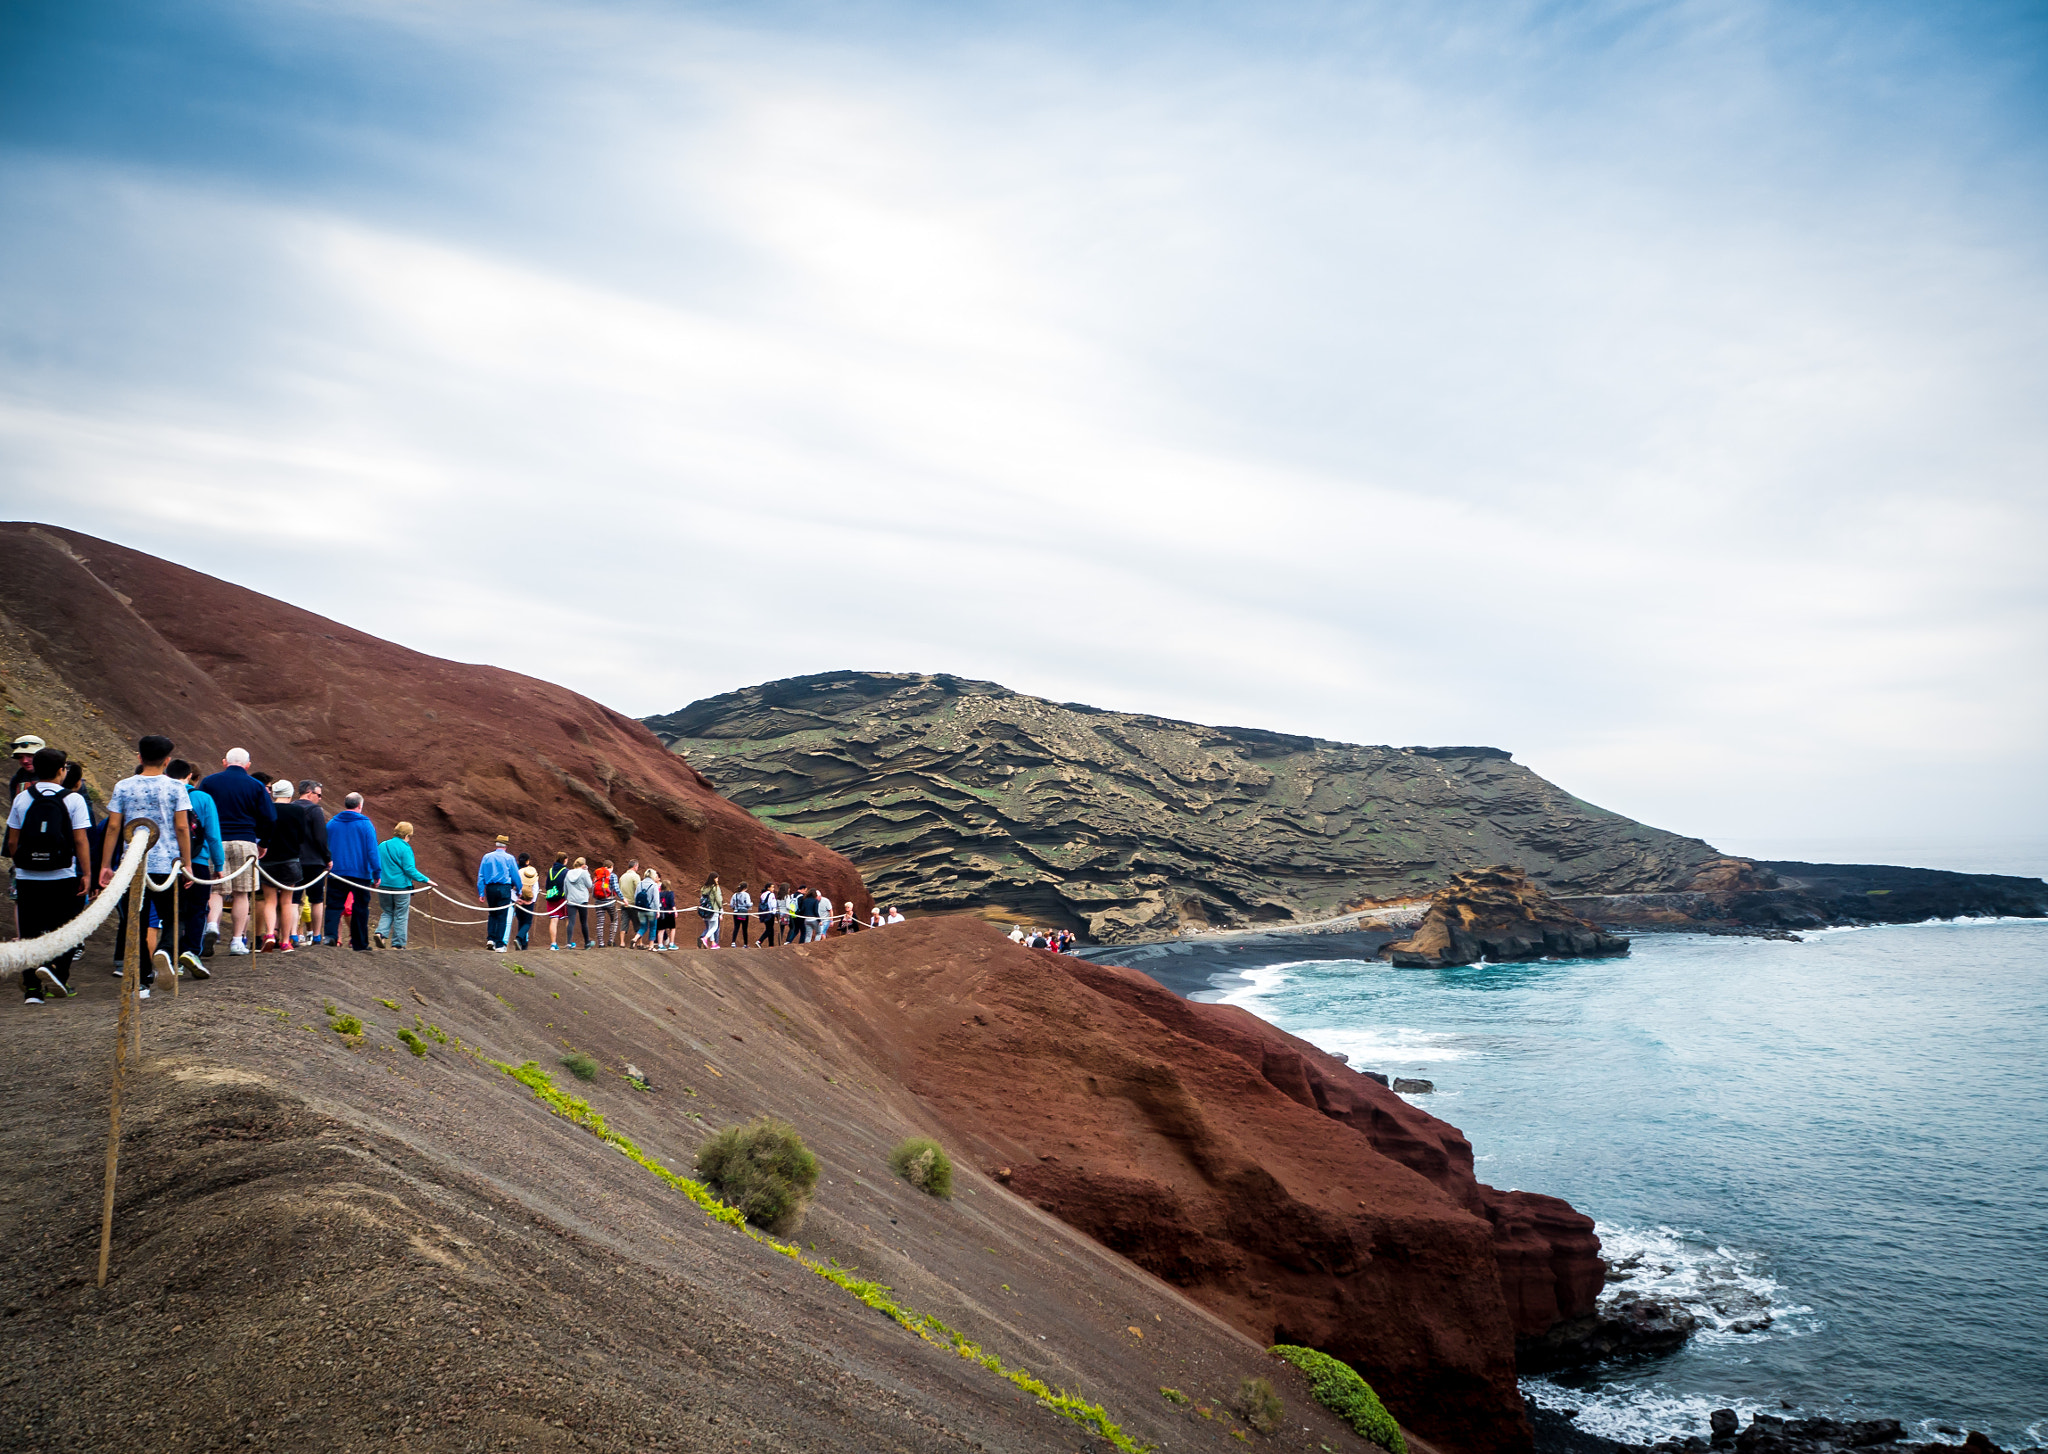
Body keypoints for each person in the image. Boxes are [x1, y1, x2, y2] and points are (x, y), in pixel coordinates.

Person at [100, 735, 195, 997]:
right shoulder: (176, 788)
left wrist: (106, 864)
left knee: (137, 922)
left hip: (132, 864)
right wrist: (186, 862)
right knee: (175, 916)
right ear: (167, 761)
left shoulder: (123, 786)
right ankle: (165, 948)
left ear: (139, 757)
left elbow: (114, 826)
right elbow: (182, 827)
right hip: (167, 863)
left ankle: (141, 982)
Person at [6, 745, 92, 1002]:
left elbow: (12, 841)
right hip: (62, 875)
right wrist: (86, 873)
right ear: (60, 771)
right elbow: (81, 841)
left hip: (27, 876)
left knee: (29, 933)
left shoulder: (22, 797)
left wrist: (23, 862)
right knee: (66, 930)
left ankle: (32, 990)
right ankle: (57, 972)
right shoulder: (73, 799)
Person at [200, 748, 276, 956]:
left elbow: (200, 811)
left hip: (216, 841)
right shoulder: (257, 786)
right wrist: (263, 842)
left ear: (225, 762)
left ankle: (212, 927)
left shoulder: (209, 782)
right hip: (246, 841)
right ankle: (236, 941)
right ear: (248, 765)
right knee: (242, 893)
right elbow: (269, 817)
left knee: (216, 889)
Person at [168, 761, 221, 976]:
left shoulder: (163, 795)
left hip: (167, 863)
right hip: (197, 861)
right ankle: (190, 952)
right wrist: (219, 864)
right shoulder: (203, 798)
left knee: (171, 910)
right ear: (191, 776)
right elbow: (213, 835)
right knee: (197, 909)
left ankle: (170, 954)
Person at [322, 792, 378, 951]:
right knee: (360, 907)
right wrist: (377, 873)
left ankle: (330, 937)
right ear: (359, 805)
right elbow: (372, 850)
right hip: (360, 873)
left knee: (333, 905)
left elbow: (325, 845)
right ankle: (359, 943)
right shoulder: (366, 824)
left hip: (337, 871)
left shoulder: (332, 823)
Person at [258, 778, 307, 952]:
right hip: (290, 860)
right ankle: (285, 941)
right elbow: (302, 837)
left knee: (270, 900)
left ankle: (270, 933)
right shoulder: (298, 811)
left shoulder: (266, 809)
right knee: (287, 902)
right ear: (290, 793)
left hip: (267, 860)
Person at [376, 822, 430, 948]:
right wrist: (426, 880)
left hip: (383, 884)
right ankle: (398, 944)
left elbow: (376, 863)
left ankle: (380, 934)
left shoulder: (382, 845)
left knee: (387, 911)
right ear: (407, 835)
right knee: (401, 914)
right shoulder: (405, 848)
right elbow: (409, 870)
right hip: (401, 887)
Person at [290, 781, 329, 944]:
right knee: (317, 899)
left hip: (293, 859)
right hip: (314, 862)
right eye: (318, 795)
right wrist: (327, 857)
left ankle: (291, 934)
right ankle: (317, 935)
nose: (319, 799)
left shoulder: (290, 808)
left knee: (293, 900)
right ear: (309, 792)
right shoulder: (315, 811)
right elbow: (321, 837)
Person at [476, 834, 521, 951]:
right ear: (506, 846)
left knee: (492, 913)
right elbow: (515, 875)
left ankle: (491, 939)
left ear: (496, 844)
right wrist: (519, 890)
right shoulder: (509, 858)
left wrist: (481, 892)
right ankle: (500, 945)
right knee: (502, 916)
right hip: (504, 888)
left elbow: (481, 875)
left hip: (490, 888)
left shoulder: (486, 857)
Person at [563, 856, 593, 948]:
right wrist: (587, 872)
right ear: (584, 865)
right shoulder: (584, 873)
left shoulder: (568, 872)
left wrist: (566, 896)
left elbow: (565, 886)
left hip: (571, 899)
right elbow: (590, 885)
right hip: (582, 899)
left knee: (571, 921)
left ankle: (568, 942)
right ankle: (587, 942)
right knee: (583, 921)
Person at [543, 853, 569, 949]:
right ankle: (568, 942)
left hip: (551, 898)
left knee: (554, 920)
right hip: (563, 898)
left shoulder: (550, 871)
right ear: (565, 860)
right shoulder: (566, 871)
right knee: (567, 919)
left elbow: (547, 886)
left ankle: (553, 944)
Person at [514, 852, 538, 951]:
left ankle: (523, 944)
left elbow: (513, 886)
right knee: (527, 922)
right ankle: (519, 939)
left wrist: (516, 899)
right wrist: (531, 901)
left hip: (518, 899)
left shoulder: (516, 871)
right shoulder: (531, 871)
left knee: (521, 920)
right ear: (528, 861)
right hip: (528, 899)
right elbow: (535, 888)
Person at [591, 859, 618, 949]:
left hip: (598, 901)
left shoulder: (597, 875)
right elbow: (616, 888)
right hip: (610, 901)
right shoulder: (612, 876)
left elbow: (593, 888)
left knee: (600, 922)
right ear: (611, 867)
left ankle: (601, 943)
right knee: (614, 920)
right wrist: (622, 898)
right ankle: (611, 940)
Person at [616, 860, 641, 947]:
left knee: (624, 922)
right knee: (637, 923)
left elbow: (619, 889)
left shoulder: (622, 877)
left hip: (624, 903)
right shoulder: (635, 876)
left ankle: (622, 942)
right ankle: (639, 943)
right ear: (635, 866)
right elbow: (639, 889)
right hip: (633, 903)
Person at [698, 874, 721, 948]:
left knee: (710, 926)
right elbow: (718, 898)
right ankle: (705, 938)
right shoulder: (715, 887)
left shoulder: (704, 887)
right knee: (715, 926)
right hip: (714, 908)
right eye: (717, 878)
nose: (717, 880)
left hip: (705, 909)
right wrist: (720, 907)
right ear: (714, 879)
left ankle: (713, 943)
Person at [730, 881, 753, 947]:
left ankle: (733, 942)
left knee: (736, 927)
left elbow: (731, 905)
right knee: (744, 928)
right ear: (745, 888)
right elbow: (748, 904)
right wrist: (752, 904)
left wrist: (735, 907)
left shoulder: (735, 895)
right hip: (744, 912)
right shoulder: (746, 895)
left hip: (736, 912)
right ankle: (745, 944)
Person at [657, 879, 678, 949]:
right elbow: (672, 903)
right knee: (672, 928)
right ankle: (671, 944)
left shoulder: (659, 894)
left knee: (661, 929)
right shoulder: (670, 893)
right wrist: (675, 911)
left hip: (662, 913)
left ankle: (660, 945)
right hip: (669, 913)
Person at [757, 883, 778, 947]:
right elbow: (773, 904)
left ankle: (771, 944)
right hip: (770, 913)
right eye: (772, 887)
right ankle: (760, 941)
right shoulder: (771, 894)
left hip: (764, 913)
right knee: (769, 929)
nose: (773, 889)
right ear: (768, 888)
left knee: (770, 928)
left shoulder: (763, 894)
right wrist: (774, 912)